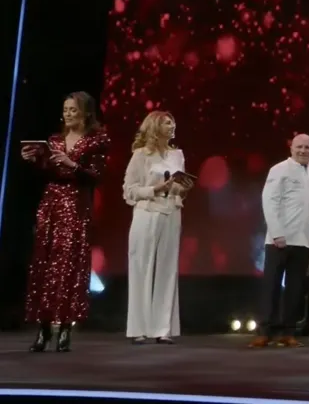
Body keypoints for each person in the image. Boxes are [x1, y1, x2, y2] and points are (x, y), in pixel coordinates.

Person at [22, 91, 110, 353]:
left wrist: (73, 165)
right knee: (45, 264)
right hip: (51, 205)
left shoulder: (97, 141)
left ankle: (65, 329)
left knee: (69, 267)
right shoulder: (54, 140)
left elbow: (96, 176)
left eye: (73, 109)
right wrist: (35, 161)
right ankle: (43, 329)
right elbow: (47, 172)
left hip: (76, 205)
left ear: (85, 112)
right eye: (65, 109)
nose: (68, 114)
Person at [123, 111, 194, 345]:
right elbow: (129, 190)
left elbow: (178, 188)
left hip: (171, 212)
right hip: (146, 212)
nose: (172, 126)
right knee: (141, 267)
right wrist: (155, 189)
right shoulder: (141, 155)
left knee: (168, 268)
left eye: (173, 122)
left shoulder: (177, 155)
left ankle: (162, 328)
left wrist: (182, 188)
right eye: (166, 123)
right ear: (155, 127)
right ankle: (139, 329)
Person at [250, 134, 309, 349]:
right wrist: (277, 232)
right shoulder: (279, 169)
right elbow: (269, 201)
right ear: (291, 148)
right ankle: (264, 332)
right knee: (271, 286)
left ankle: (288, 332)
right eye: (299, 147)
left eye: (307, 147)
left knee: (295, 288)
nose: (303, 151)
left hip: (304, 240)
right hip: (279, 238)